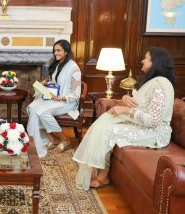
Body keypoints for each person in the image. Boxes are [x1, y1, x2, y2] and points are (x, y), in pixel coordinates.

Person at [73, 47, 176, 190]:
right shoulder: (150, 81)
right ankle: (97, 168)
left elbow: (153, 121)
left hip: (155, 132)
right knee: (103, 124)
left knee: (109, 130)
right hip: (142, 125)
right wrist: (125, 98)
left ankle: (103, 176)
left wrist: (125, 110)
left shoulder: (162, 85)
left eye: (146, 58)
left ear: (155, 62)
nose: (142, 61)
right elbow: (139, 103)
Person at [27, 39, 81, 158]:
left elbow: (76, 94)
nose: (55, 53)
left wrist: (60, 98)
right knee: (31, 108)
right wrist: (46, 83)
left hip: (66, 102)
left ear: (66, 51)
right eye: (54, 51)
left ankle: (64, 139)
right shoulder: (58, 65)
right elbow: (57, 83)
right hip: (55, 99)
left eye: (58, 50)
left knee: (42, 111)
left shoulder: (74, 68)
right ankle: (51, 138)